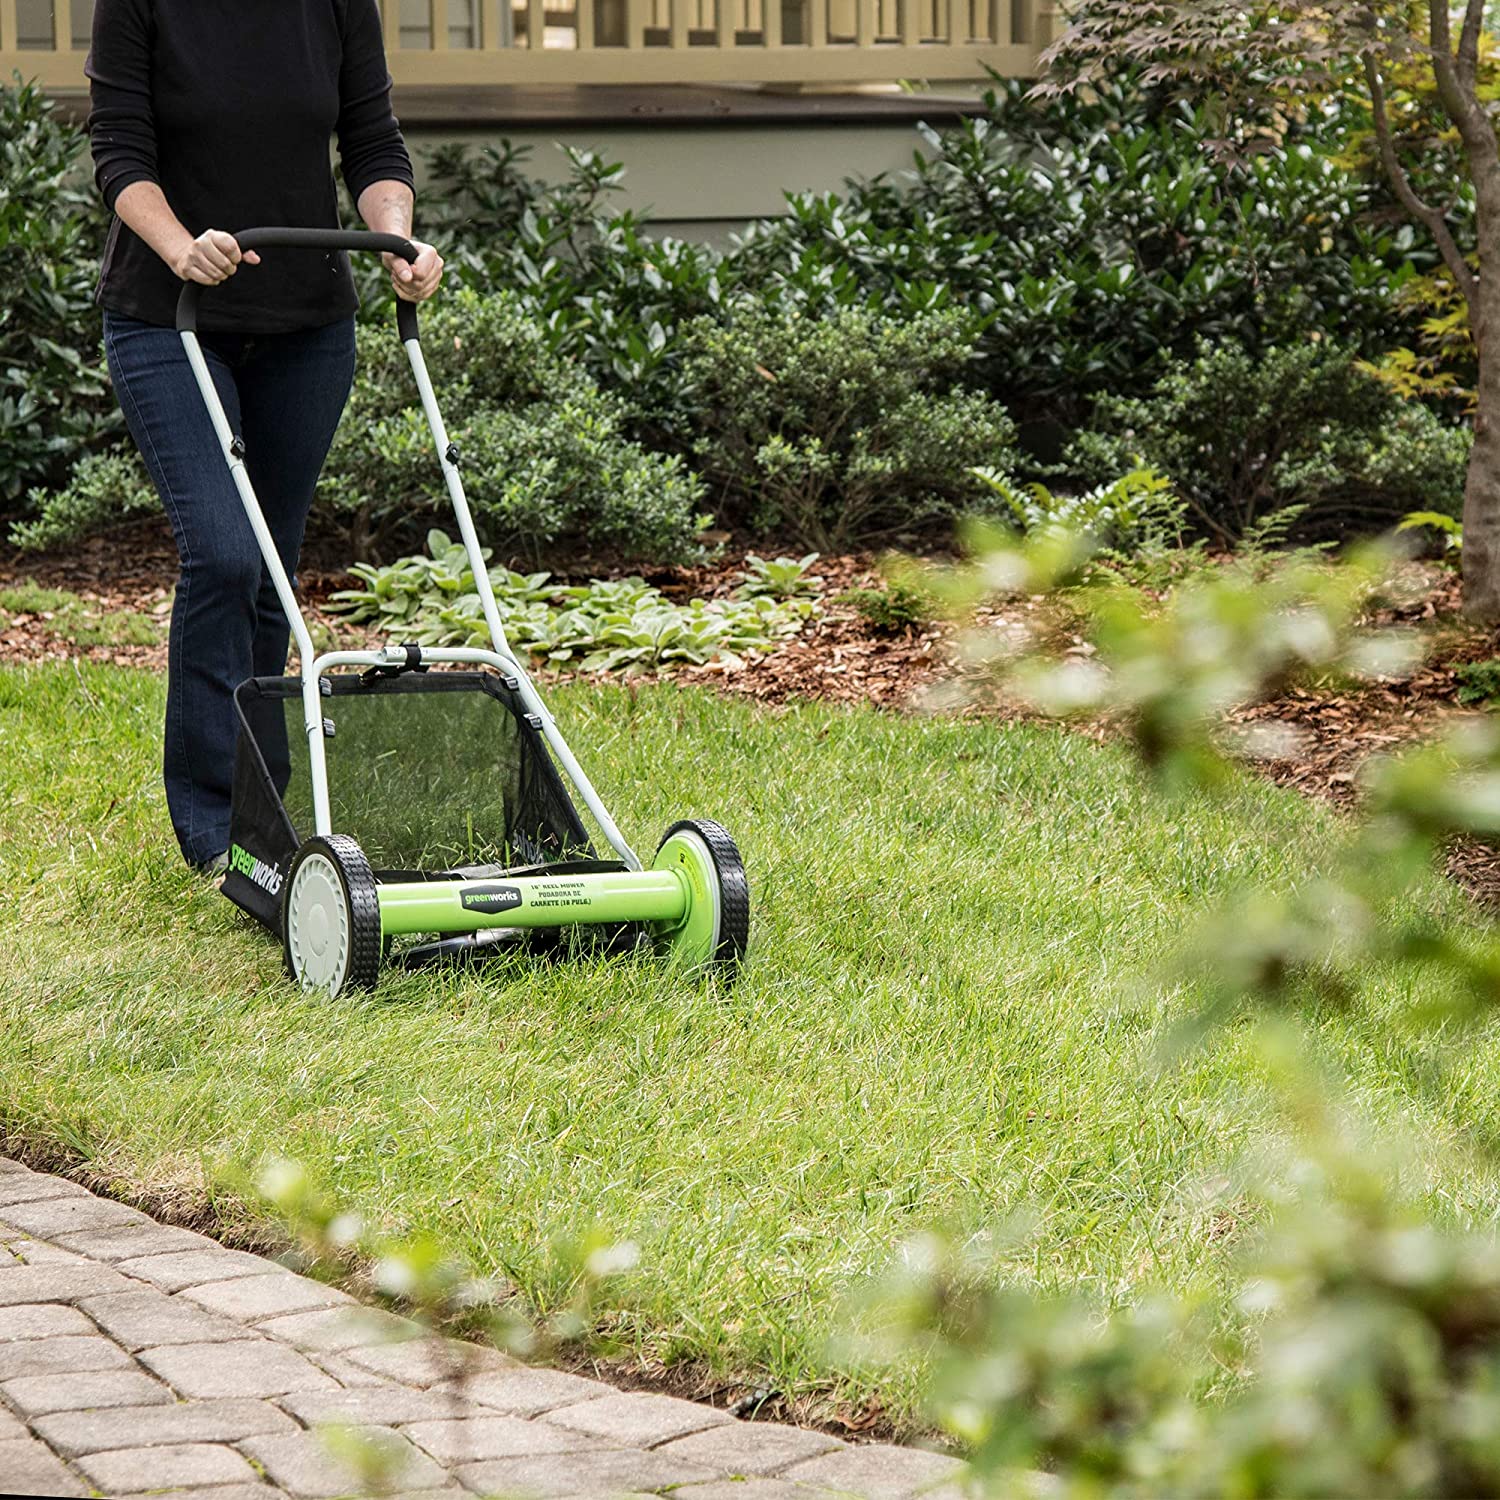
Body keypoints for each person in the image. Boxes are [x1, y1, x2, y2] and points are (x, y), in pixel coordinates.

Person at [86, 0, 444, 873]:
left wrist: (395, 237)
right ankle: (212, 829)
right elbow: (120, 153)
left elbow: (373, 140)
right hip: (169, 316)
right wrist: (181, 247)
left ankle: (263, 815)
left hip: (307, 328)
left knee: (270, 572)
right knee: (224, 554)